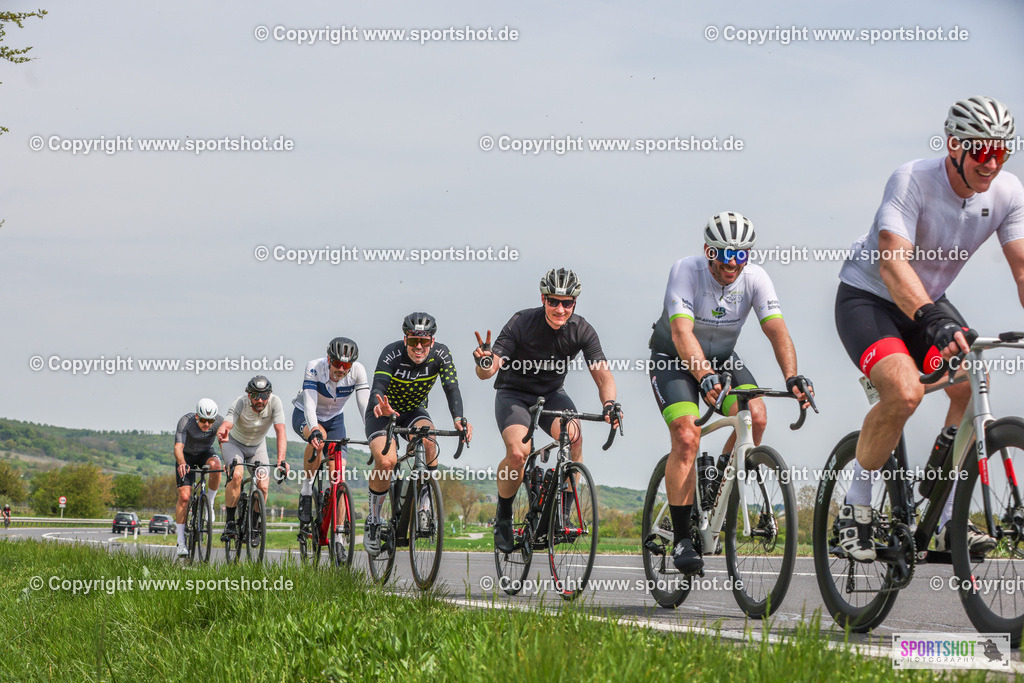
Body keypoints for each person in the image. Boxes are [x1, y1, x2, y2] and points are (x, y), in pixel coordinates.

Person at [835, 96, 1023, 561]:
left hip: (930, 303)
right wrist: (931, 316)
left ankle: (938, 517)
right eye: (982, 150)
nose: (992, 162)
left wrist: (932, 312)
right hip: (870, 298)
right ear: (954, 144)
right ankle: (853, 508)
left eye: (1002, 151)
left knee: (968, 383)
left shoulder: (1008, 193)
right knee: (904, 392)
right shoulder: (912, 179)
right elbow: (893, 263)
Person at [648, 212, 813, 575]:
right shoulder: (686, 271)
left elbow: (777, 331)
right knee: (687, 436)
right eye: (724, 254)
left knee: (756, 416)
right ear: (708, 250)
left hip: (722, 360)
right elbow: (681, 333)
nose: (732, 264)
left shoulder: (756, 278)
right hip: (673, 360)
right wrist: (703, 374)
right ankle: (682, 539)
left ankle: (715, 482)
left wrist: (791, 376)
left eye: (741, 255)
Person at [474, 268, 620, 554]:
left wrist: (609, 404)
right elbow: (488, 371)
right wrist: (484, 362)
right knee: (518, 453)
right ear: (543, 299)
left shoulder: (581, 329)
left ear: (574, 304)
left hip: (551, 395)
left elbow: (604, 376)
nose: (560, 308)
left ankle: (562, 514)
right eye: (554, 301)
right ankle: (503, 516)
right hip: (514, 395)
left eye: (567, 303)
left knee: (574, 437)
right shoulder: (521, 321)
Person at [363, 312, 472, 556]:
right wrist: (381, 404)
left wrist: (459, 420)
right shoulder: (391, 353)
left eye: (424, 341)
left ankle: (424, 505)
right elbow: (378, 386)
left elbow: (451, 388)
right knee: (387, 461)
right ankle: (373, 520)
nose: (419, 347)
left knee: (429, 441)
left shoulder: (442, 354)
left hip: (413, 410)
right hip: (383, 411)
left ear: (432, 341)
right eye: (413, 341)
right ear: (405, 340)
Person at [292, 337, 369, 529]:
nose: (341, 369)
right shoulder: (314, 367)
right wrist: (315, 430)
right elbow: (310, 405)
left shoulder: (358, 371)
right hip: (306, 414)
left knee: (338, 475)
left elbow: (365, 407)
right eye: (337, 363)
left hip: (335, 419)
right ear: (328, 359)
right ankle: (307, 490)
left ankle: (340, 534)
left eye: (346, 365)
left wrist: (373, 433)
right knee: (320, 438)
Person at [217, 376, 289, 540]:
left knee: (263, 485)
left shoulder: (275, 403)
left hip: (257, 446)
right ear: (249, 394)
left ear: (269, 395)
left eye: (264, 396)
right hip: (234, 443)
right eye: (255, 395)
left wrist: (281, 460)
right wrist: (223, 429)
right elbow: (228, 422)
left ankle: (254, 525)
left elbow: (280, 431)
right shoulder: (240, 403)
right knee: (236, 475)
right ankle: (229, 522)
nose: (260, 400)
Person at [173, 398, 224, 557]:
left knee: (217, 466)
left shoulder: (219, 422)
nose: (206, 424)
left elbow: (224, 444)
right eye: (203, 420)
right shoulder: (185, 422)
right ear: (197, 416)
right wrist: (181, 462)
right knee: (184, 496)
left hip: (205, 453)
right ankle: (181, 541)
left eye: (210, 421)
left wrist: (229, 462)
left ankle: (210, 501)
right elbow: (178, 447)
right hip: (186, 456)